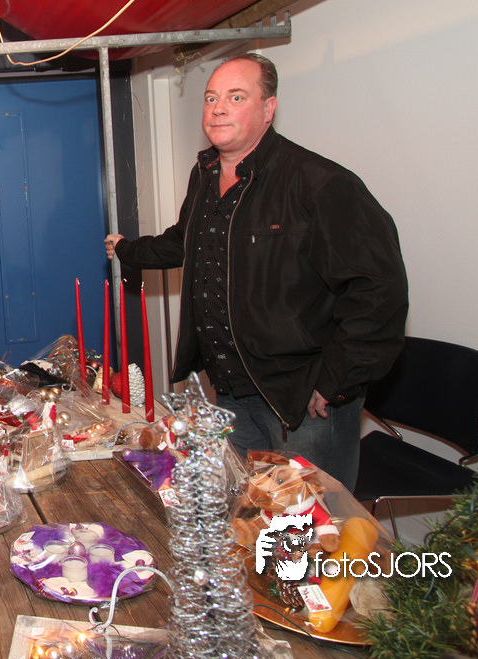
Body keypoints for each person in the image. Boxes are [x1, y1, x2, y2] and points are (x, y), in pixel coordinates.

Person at [105, 53, 407, 487]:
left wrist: (335, 381)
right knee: (249, 512)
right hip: (231, 392)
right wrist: (128, 250)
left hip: (301, 401)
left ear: (268, 109)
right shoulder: (205, 174)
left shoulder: (319, 182)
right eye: (211, 97)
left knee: (307, 522)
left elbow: (378, 289)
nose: (218, 108)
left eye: (236, 97)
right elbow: (186, 240)